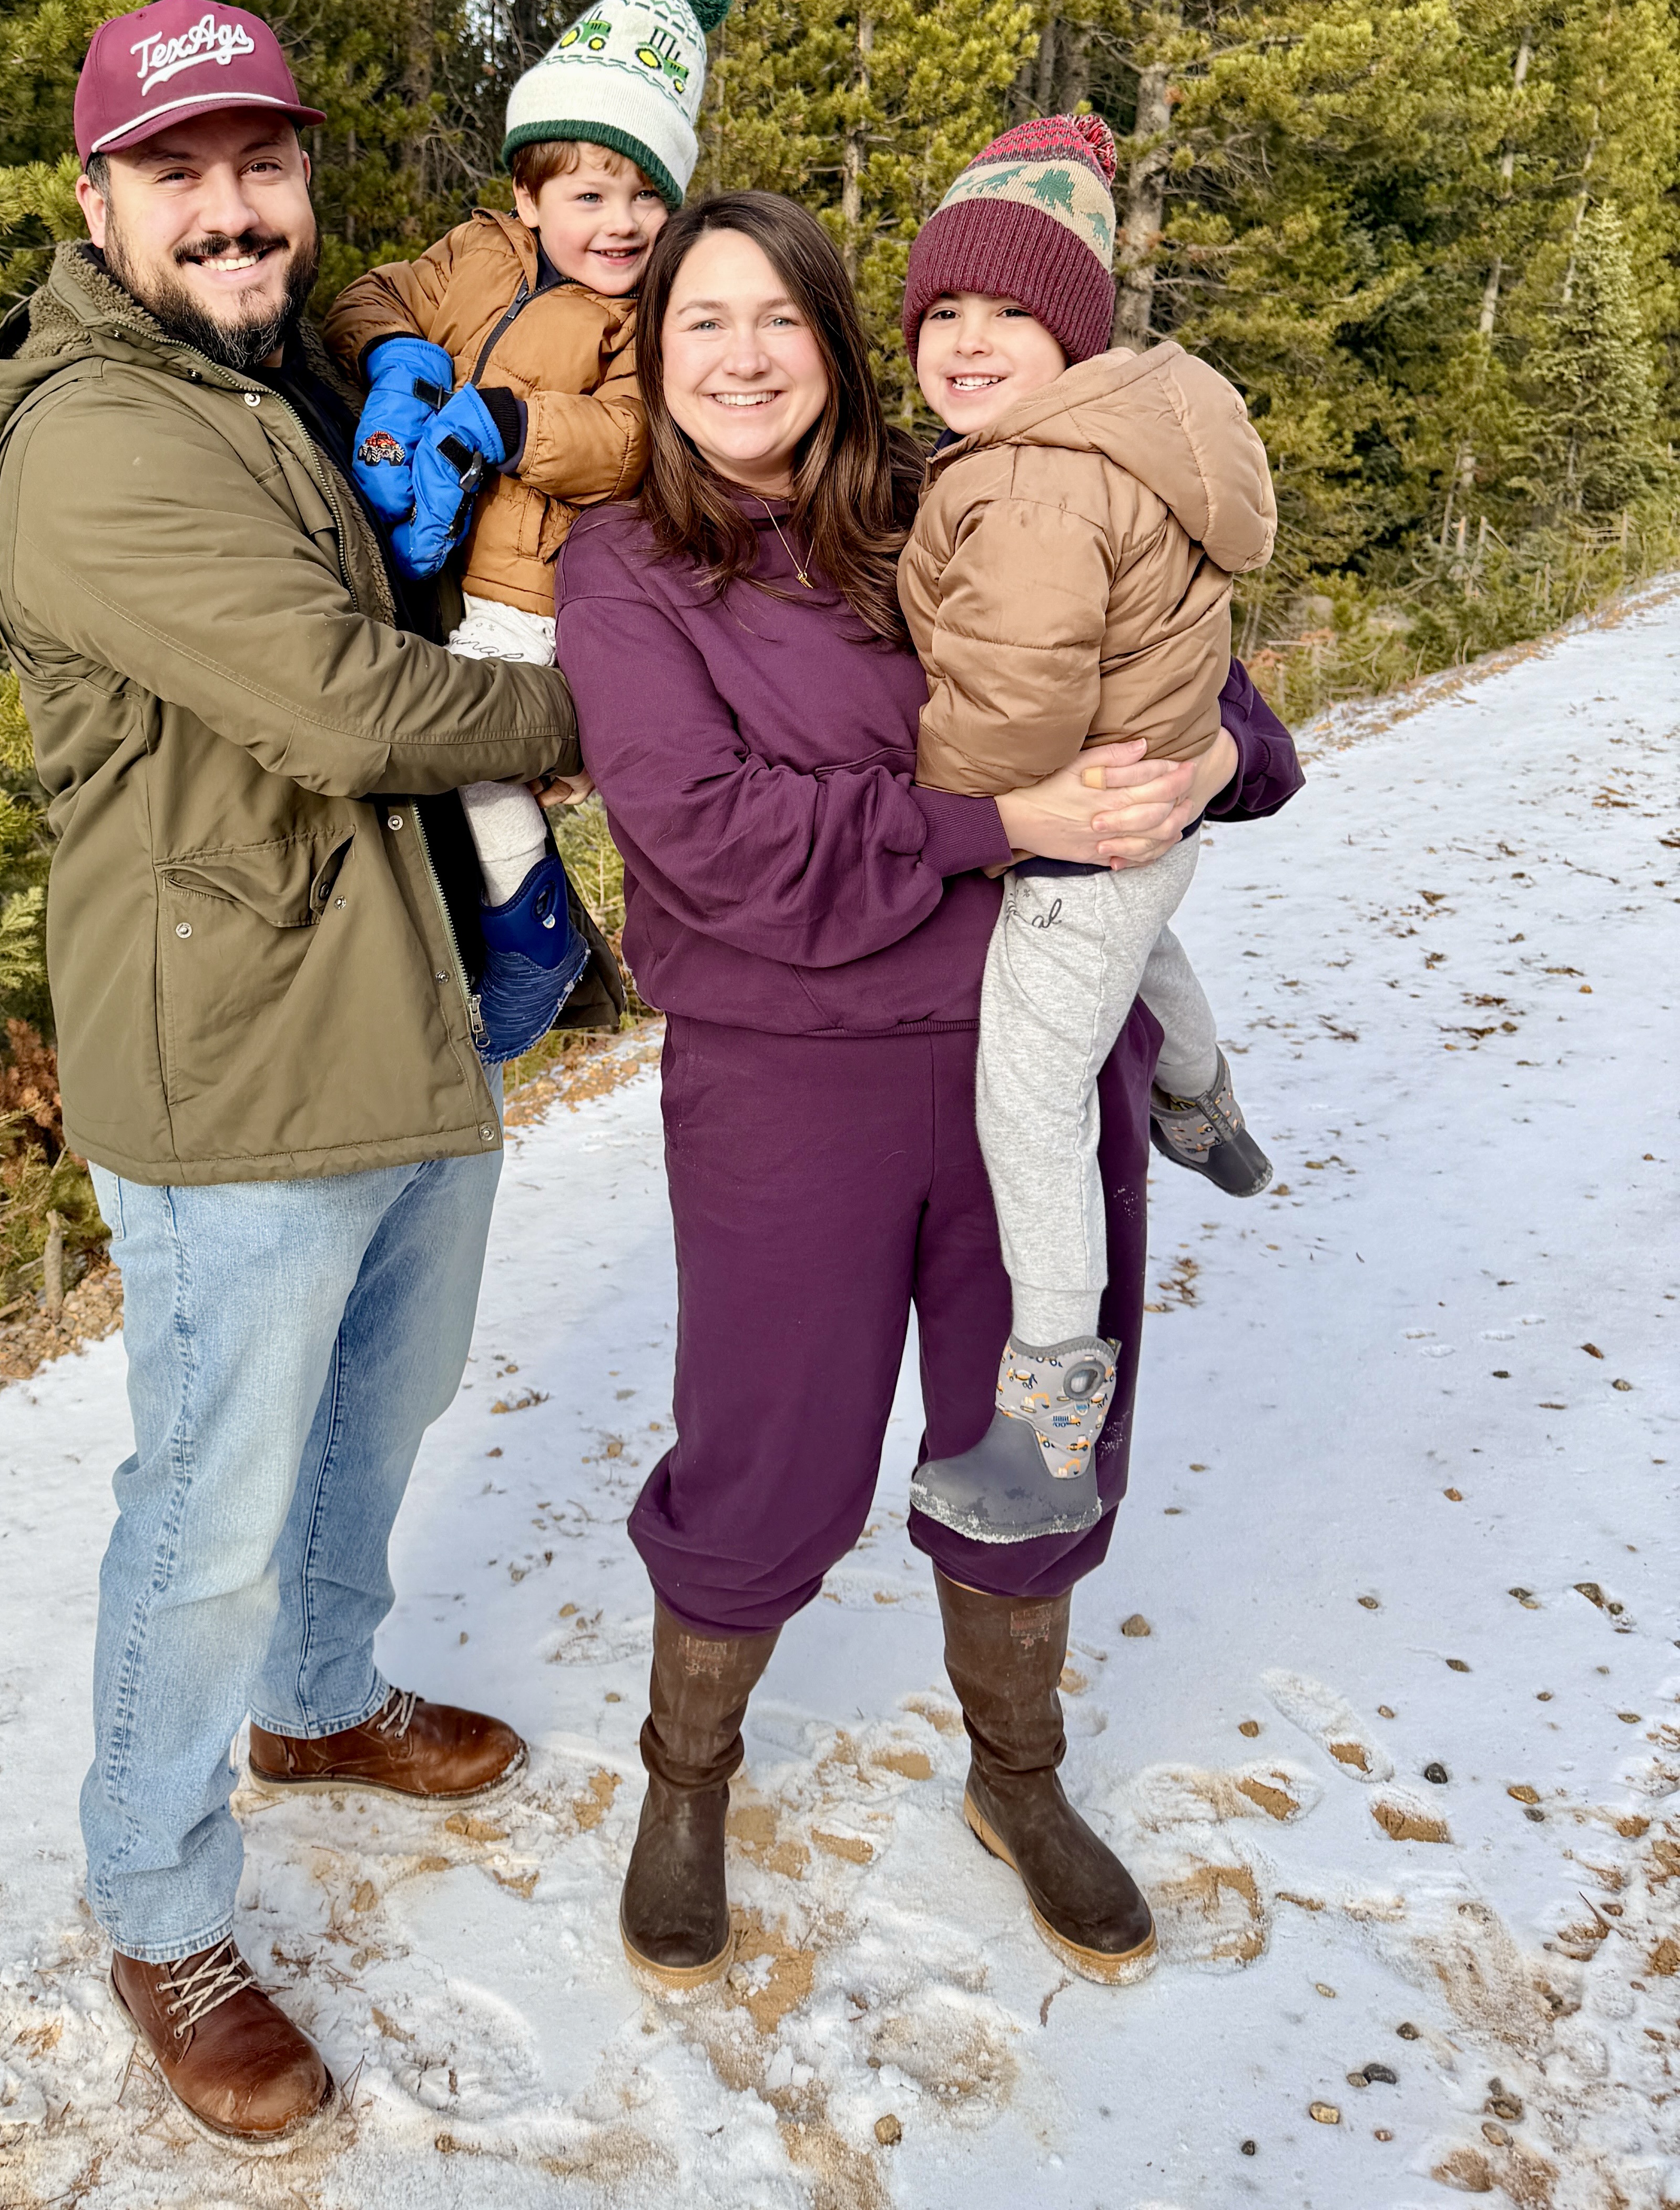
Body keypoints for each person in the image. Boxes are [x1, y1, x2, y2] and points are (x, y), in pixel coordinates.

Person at [0, 0, 610, 2150]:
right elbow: (348, 705)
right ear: (101, 202)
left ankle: (320, 1712)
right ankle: (158, 1905)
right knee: (208, 1510)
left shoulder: (281, 370)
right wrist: (594, 711)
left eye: (263, 164)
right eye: (180, 172)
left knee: (392, 1395)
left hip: (397, 1007)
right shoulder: (100, 436)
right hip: (235, 1060)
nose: (232, 206)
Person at [552, 189, 1301, 1998]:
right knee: (768, 1451)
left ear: (834, 344)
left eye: (778, 321)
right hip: (790, 1088)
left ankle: (1017, 1774)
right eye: (700, 324)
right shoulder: (628, 567)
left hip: (1041, 1070)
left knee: (1038, 1429)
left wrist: (1206, 748)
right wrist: (1001, 822)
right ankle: (687, 1776)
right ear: (657, 360)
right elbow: (708, 838)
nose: (741, 357)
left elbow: (1228, 711)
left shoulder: (959, 500)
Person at [896, 114, 1279, 1550]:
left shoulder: (1024, 480)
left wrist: (941, 802)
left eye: (1010, 312)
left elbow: (1009, 711)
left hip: (1075, 831)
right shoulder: (1140, 444)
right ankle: (1201, 1102)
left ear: (1072, 338)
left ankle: (1046, 1426)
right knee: (1144, 931)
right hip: (1152, 811)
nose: (970, 342)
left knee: (1030, 1105)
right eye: (944, 311)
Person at [325, 0, 734, 1059]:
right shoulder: (473, 253)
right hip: (418, 556)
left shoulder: (648, 314)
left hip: (531, 581)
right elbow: (365, 295)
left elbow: (640, 436)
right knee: (384, 727)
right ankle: (442, 934)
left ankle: (533, 925)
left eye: (648, 198)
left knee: (466, 741)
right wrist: (403, 362)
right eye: (591, 193)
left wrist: (514, 424)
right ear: (526, 191)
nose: (620, 223)